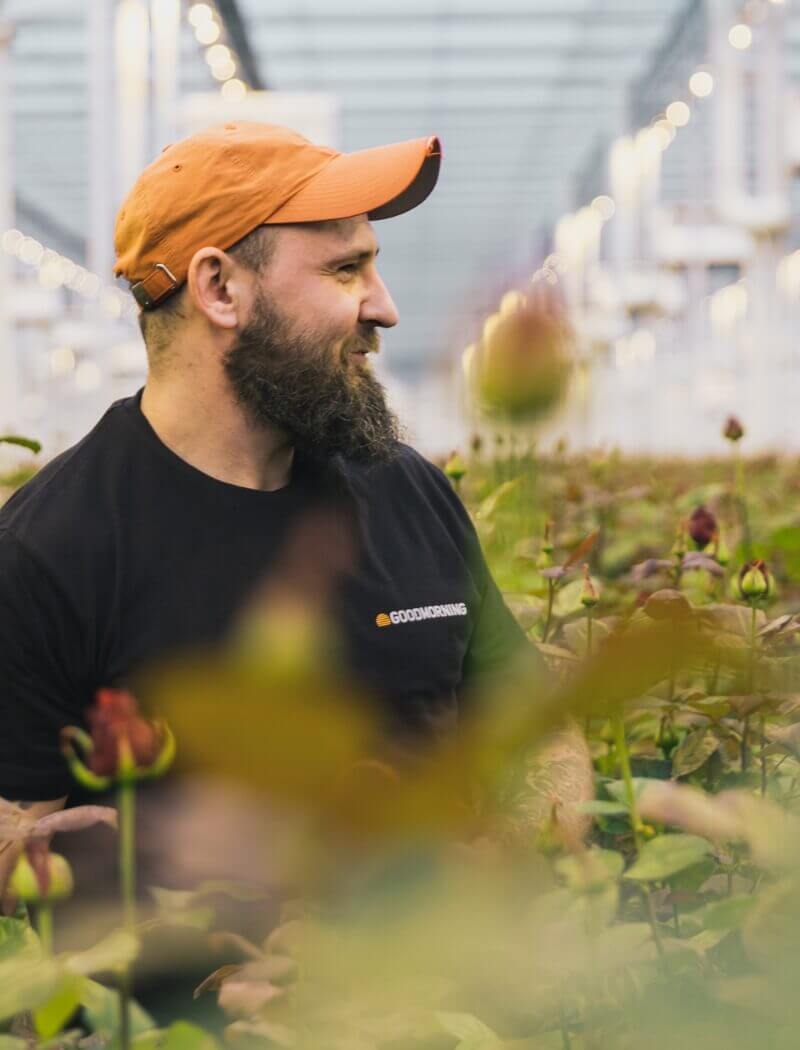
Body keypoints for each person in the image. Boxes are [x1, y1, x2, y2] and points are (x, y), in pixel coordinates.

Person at [0, 121, 575, 911]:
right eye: (348, 270)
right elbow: (19, 844)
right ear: (221, 289)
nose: (387, 308)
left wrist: (520, 868)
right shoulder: (49, 549)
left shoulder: (409, 492)